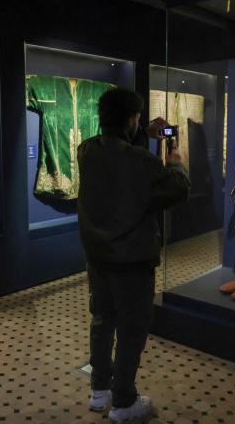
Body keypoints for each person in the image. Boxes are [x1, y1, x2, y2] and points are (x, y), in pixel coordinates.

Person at [77, 87, 190, 423]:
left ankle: (100, 391)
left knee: (102, 320)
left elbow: (118, 159)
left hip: (98, 256)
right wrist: (175, 155)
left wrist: (139, 131)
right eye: (137, 118)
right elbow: (177, 189)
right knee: (131, 329)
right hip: (132, 261)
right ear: (131, 119)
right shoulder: (142, 161)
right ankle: (124, 402)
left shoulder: (87, 151)